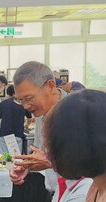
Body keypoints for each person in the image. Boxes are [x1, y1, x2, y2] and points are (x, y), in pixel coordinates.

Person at [9, 61, 68, 192]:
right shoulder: (41, 114)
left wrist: (50, 162)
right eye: (21, 101)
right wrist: (28, 165)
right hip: (54, 193)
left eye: (29, 98)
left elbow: (90, 165)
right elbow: (41, 153)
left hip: (77, 198)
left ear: (50, 86)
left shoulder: (77, 112)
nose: (26, 106)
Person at [0, 85, 32, 155]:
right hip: (17, 135)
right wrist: (26, 125)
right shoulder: (23, 104)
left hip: (4, 135)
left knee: (4, 160)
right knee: (16, 159)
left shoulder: (4, 103)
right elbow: (30, 118)